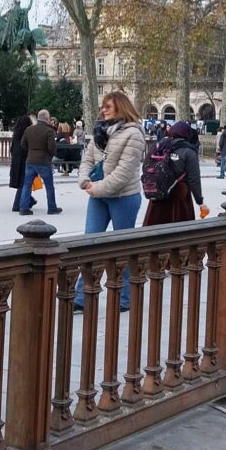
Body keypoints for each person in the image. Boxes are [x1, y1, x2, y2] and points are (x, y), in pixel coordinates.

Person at [75, 91, 147, 310]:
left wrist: (95, 188)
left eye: (108, 106)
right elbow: (87, 159)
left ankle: (124, 298)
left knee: (120, 248)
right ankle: (82, 297)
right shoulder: (100, 130)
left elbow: (123, 174)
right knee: (90, 244)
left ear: (121, 108)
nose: (103, 110)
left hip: (123, 198)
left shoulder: (134, 134)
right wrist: (84, 181)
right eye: (103, 106)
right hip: (98, 195)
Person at [142, 120, 206, 225]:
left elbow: (146, 166)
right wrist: (200, 201)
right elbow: (194, 179)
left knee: (154, 228)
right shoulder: (189, 151)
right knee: (178, 230)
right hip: (179, 195)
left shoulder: (158, 146)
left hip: (158, 192)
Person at [18, 110, 62, 216]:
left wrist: (30, 152)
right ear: (47, 118)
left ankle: (23, 208)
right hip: (43, 161)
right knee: (49, 186)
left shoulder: (29, 129)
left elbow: (22, 144)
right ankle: (52, 208)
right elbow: (52, 148)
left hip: (30, 161)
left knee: (27, 185)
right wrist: (50, 156)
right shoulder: (49, 131)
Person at [8, 114, 35, 212]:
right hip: (24, 160)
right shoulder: (27, 134)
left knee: (22, 183)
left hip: (16, 160)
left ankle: (29, 200)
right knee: (24, 183)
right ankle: (18, 204)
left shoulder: (16, 135)